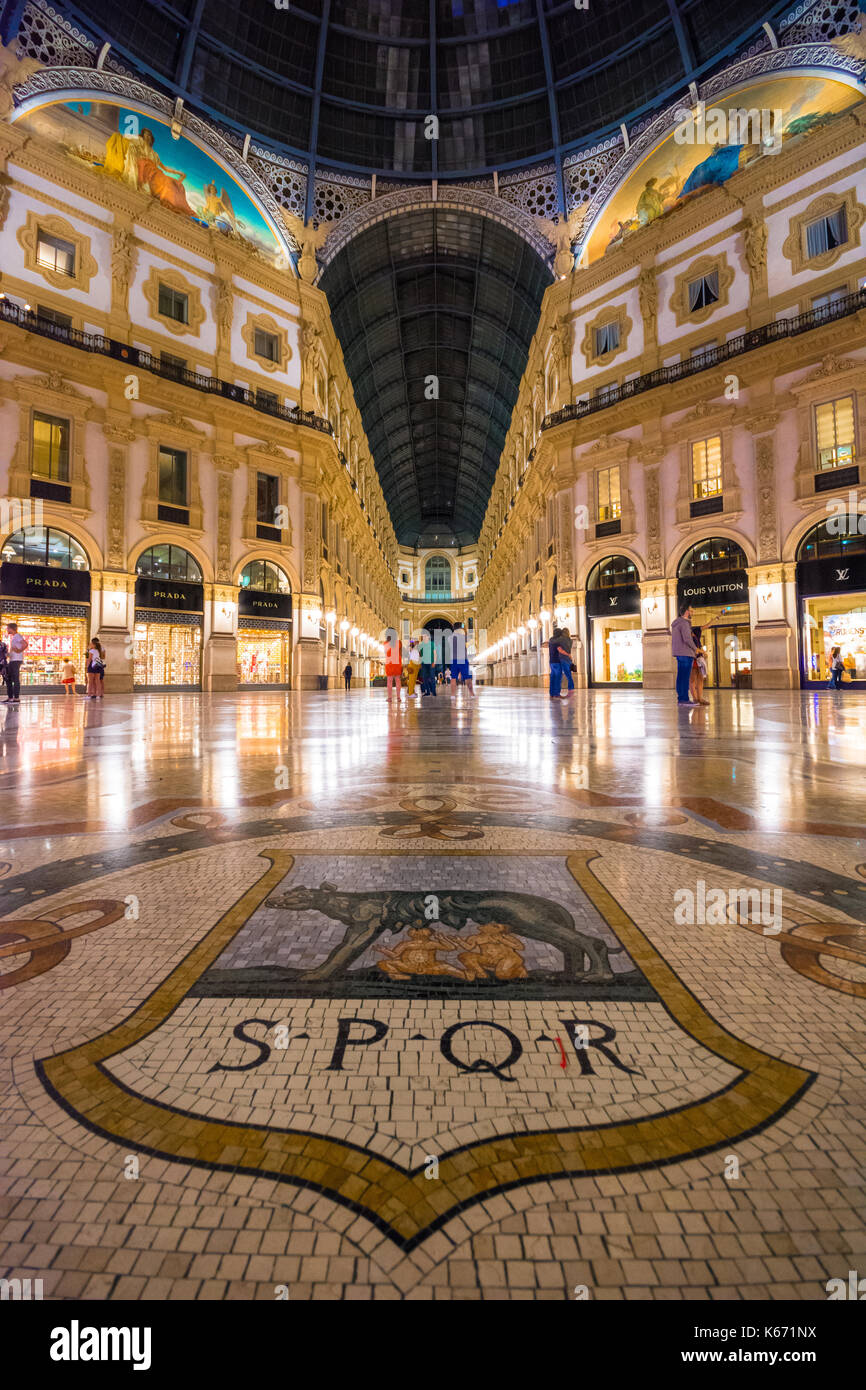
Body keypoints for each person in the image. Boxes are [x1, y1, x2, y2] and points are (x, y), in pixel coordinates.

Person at [671, 602, 699, 705]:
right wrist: (695, 649)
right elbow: (687, 639)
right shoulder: (684, 623)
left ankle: (681, 698)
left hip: (679, 653)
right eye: (691, 610)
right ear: (687, 612)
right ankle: (684, 699)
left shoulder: (677, 623)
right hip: (686, 653)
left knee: (681, 676)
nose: (693, 612)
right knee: (685, 677)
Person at [4, 623, 27, 704]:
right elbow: (13, 649)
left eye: (8, 628)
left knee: (15, 679)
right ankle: (10, 697)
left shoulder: (17, 636)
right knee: (8, 678)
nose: (7, 630)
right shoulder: (14, 637)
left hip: (16, 660)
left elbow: (25, 644)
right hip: (12, 660)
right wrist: (7, 655)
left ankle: (16, 698)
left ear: (11, 628)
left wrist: (19, 650)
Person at [548, 627, 571, 699]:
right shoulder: (557, 641)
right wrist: (568, 654)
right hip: (557, 661)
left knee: (552, 678)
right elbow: (560, 650)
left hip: (551, 661)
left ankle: (552, 693)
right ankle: (557, 694)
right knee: (558, 678)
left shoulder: (551, 640)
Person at [689, 626, 709, 705]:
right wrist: (702, 652)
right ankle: (695, 699)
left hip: (699, 659)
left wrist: (703, 652)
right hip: (692, 659)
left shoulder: (695, 637)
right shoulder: (687, 637)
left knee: (700, 678)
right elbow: (693, 649)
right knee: (692, 679)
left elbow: (698, 647)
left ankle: (700, 698)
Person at [384, 635, 402, 701]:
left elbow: (386, 653)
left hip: (389, 663)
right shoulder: (399, 642)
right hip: (397, 663)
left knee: (389, 681)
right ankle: (398, 697)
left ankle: (389, 698)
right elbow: (400, 653)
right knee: (398, 680)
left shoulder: (385, 643)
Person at [559, 628, 576, 694]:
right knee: (569, 675)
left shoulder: (561, 640)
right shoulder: (570, 640)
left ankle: (558, 688)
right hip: (569, 659)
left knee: (560, 675)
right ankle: (571, 688)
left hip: (562, 658)